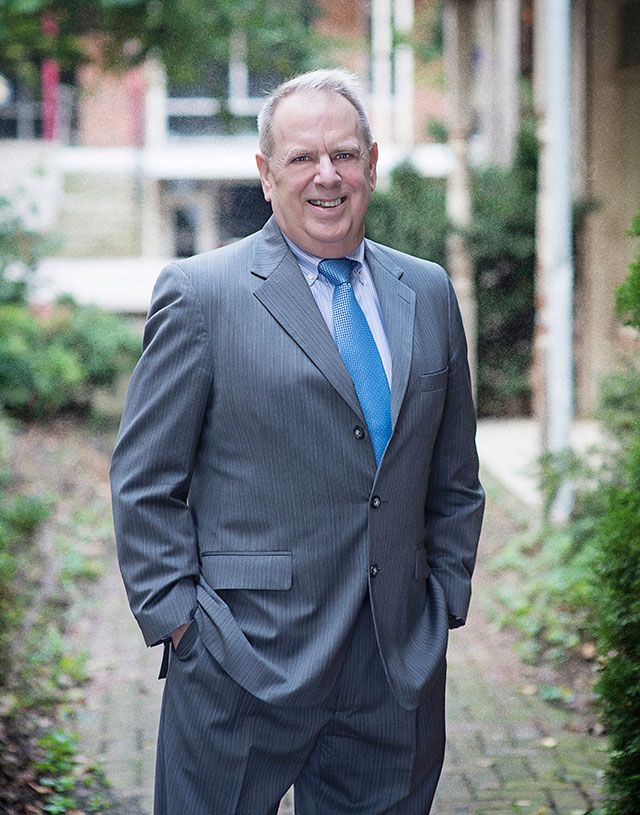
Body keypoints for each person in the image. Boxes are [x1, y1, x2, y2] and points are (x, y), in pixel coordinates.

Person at [110, 68, 485, 815]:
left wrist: (439, 600)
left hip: (393, 671)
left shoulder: (429, 292)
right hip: (240, 664)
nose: (327, 176)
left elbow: (455, 476)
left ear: (372, 163)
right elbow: (145, 480)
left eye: (345, 155)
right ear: (265, 173)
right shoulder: (201, 295)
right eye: (303, 158)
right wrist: (182, 624)